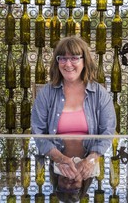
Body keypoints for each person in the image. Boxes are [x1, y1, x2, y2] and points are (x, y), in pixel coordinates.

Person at [31, 36, 116, 202]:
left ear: (84, 61)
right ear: (57, 63)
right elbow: (37, 131)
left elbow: (108, 130)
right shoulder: (46, 93)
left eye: (74, 58)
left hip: (92, 161)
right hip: (55, 159)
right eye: (62, 58)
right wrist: (59, 158)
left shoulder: (100, 93)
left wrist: (91, 159)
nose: (68, 64)